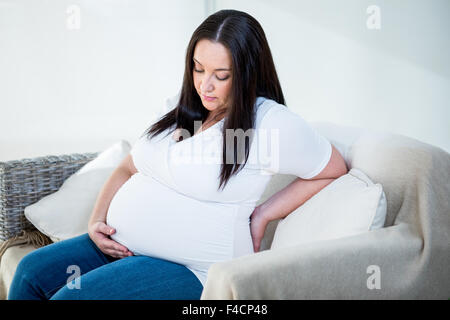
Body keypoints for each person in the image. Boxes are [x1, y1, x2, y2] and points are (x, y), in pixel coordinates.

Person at [8, 9, 347, 300]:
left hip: (192, 268)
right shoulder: (182, 108)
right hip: (122, 244)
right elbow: (128, 167)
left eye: (221, 75)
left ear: (247, 73)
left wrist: (263, 214)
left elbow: (333, 167)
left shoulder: (271, 124)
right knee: (29, 273)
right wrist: (96, 221)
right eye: (198, 68)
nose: (205, 86)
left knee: (73, 297)